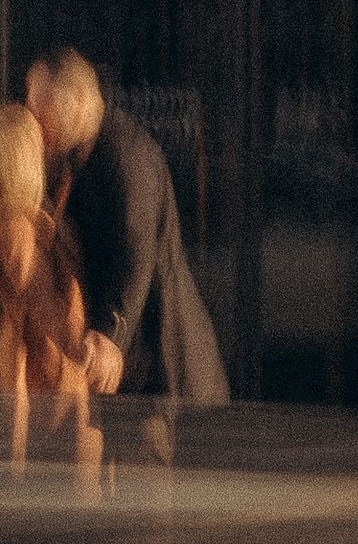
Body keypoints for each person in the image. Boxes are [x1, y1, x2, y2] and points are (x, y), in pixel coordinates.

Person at [26, 48, 228, 458]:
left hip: (156, 372)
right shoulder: (80, 157)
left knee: (144, 483)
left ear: (79, 100)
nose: (36, 120)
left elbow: (134, 252)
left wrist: (110, 336)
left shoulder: (127, 155)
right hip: (129, 373)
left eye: (43, 107)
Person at [0, 101, 103, 479]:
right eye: (36, 143)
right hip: (49, 384)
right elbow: (43, 307)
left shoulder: (10, 218)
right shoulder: (13, 227)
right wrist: (89, 356)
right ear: (22, 158)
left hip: (41, 379)